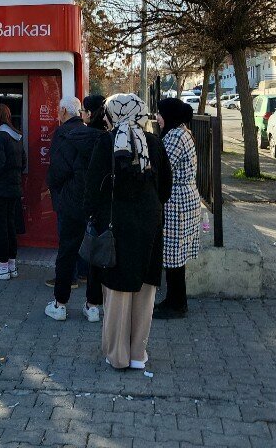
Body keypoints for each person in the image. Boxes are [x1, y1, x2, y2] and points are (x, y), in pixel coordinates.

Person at [84, 93, 172, 370]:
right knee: (145, 292)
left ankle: (117, 356)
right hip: (149, 227)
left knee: (117, 293)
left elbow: (92, 189)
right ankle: (137, 355)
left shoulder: (106, 142)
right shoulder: (154, 144)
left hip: (115, 227)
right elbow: (166, 189)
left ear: (112, 115)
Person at [44, 95, 105, 321]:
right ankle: (92, 307)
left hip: (70, 201)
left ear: (63, 111)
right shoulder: (102, 136)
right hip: (95, 203)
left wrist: (56, 189)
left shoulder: (63, 134)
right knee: (94, 252)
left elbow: (58, 169)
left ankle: (60, 304)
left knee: (67, 251)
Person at [153, 97, 203, 320]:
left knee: (174, 254)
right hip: (184, 199)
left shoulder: (174, 136)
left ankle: (177, 305)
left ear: (169, 115)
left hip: (177, 202)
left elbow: (163, 167)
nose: (157, 117)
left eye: (160, 113)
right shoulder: (182, 131)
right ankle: (174, 300)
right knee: (177, 255)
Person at [0, 104, 26, 280]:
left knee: (0, 228)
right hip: (14, 188)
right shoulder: (16, 136)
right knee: (10, 226)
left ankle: (2, 268)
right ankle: (12, 266)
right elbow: (23, 162)